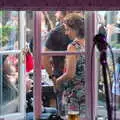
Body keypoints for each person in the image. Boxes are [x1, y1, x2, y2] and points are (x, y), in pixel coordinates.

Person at [52, 13, 86, 117]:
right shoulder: (90, 44)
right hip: (88, 93)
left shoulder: (73, 46)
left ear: (75, 29)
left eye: (67, 29)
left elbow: (70, 74)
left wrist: (57, 81)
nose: (66, 33)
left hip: (74, 95)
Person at [42, 11, 72, 115]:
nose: (55, 13)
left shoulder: (55, 32)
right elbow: (45, 58)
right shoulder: (86, 30)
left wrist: (54, 78)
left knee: (64, 113)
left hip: (62, 77)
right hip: (75, 78)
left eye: (57, 10)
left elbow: (45, 58)